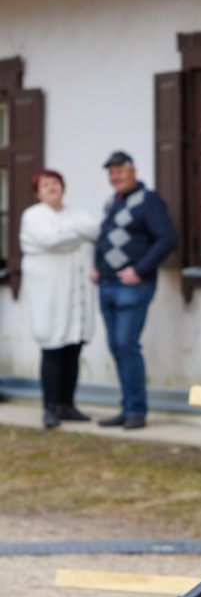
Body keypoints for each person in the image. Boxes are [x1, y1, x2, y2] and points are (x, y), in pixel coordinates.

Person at [91, 151, 176, 430]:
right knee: (117, 347)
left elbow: (166, 240)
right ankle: (126, 408)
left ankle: (136, 410)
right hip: (107, 283)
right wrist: (97, 266)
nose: (115, 177)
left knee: (127, 345)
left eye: (120, 171)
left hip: (132, 286)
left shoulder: (149, 201)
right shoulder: (112, 202)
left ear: (133, 171)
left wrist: (139, 270)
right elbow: (103, 239)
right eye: (111, 172)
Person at [20, 170, 100, 428]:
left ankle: (68, 404)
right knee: (53, 349)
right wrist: (76, 235)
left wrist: (68, 231)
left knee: (73, 349)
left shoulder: (76, 212)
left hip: (76, 295)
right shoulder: (33, 215)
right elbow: (50, 239)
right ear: (37, 192)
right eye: (45, 185)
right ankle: (50, 407)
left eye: (55, 183)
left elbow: (95, 230)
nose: (51, 187)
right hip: (50, 295)